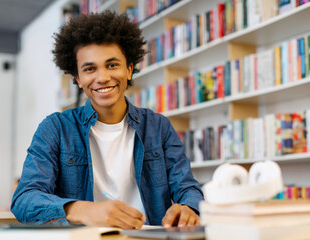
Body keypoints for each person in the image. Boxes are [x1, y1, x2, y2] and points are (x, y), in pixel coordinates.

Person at [11, 10, 204, 229]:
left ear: (129, 69)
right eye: (90, 68)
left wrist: (189, 208)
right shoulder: (55, 128)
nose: (102, 77)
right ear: (79, 79)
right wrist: (81, 210)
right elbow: (24, 199)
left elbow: (188, 188)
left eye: (112, 65)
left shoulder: (159, 127)